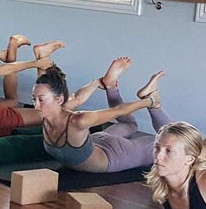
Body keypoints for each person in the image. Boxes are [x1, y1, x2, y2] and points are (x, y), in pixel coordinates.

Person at [35, 57, 169, 173]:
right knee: (129, 125)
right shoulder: (50, 112)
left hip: (113, 154)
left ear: (59, 99)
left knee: (174, 142)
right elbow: (77, 98)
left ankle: (153, 102)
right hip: (98, 142)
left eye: (41, 99)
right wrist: (97, 82)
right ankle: (111, 86)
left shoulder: (79, 120)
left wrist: (150, 101)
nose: (36, 105)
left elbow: (119, 110)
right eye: (34, 99)